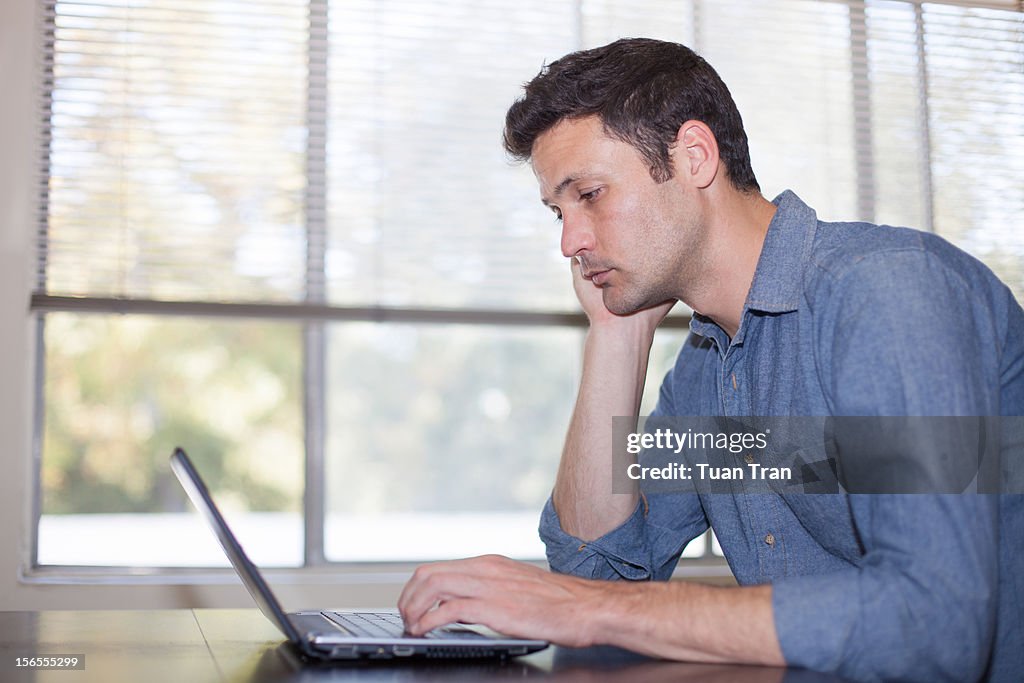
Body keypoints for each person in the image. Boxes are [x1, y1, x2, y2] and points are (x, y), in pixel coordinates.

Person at [397, 38, 1023, 682]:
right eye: (558, 211)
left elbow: (935, 624)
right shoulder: (705, 363)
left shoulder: (888, 293)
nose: (570, 241)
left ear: (694, 157)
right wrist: (615, 335)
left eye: (589, 194)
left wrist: (597, 609)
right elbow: (595, 571)